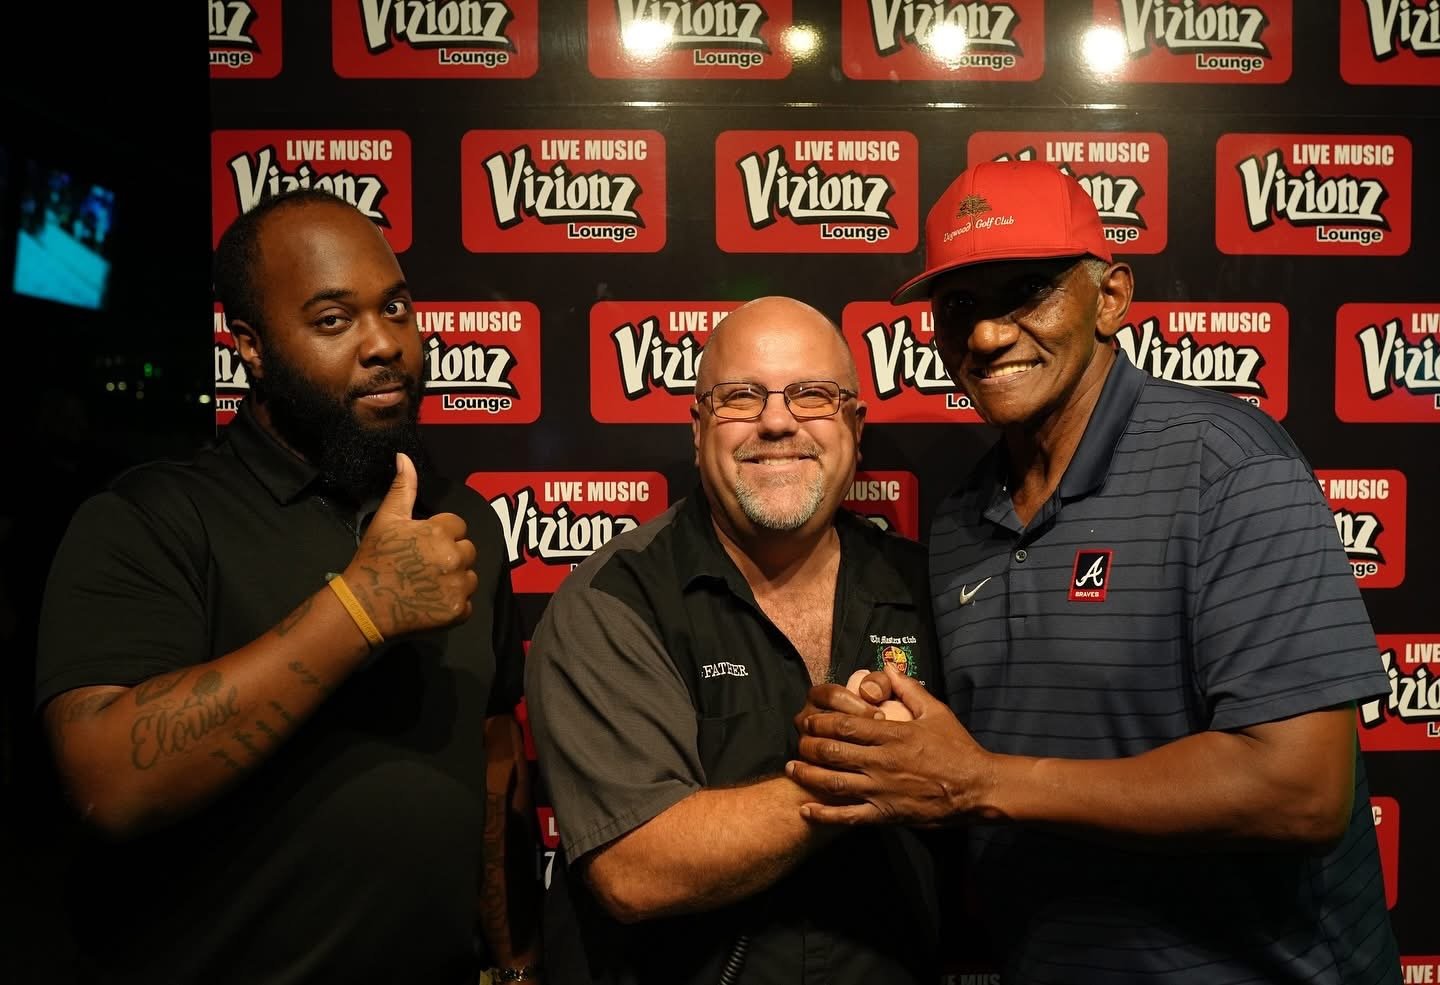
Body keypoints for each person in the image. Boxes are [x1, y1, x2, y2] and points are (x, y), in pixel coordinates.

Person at [788, 161, 1401, 985]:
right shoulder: (962, 518)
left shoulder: (1225, 462)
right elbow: (988, 760)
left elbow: (1302, 788)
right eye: (959, 306)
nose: (986, 336)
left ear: (1111, 298)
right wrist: (884, 740)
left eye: (1027, 292)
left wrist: (981, 782)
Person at [35, 189, 540, 985]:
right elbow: (107, 783)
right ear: (252, 346)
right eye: (333, 319)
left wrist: (511, 961)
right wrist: (359, 609)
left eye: (396, 306)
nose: (385, 343)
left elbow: (492, 750)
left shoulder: (460, 516)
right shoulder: (154, 519)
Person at [524, 297, 940, 985]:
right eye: (741, 397)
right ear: (698, 430)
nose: (776, 421)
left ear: (855, 427)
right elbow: (636, 868)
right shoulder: (613, 601)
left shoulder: (930, 587)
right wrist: (871, 768)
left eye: (813, 395)